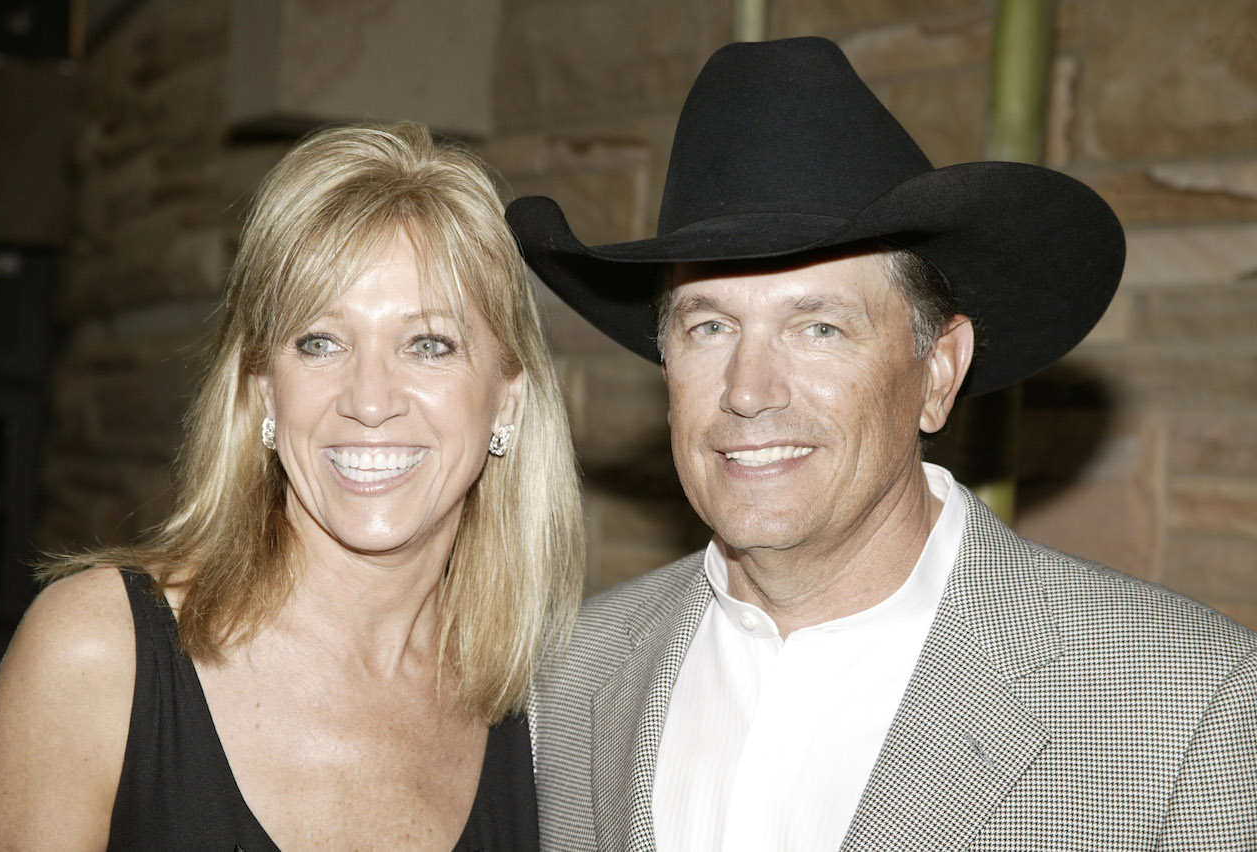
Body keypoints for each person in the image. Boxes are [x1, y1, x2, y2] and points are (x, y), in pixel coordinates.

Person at [508, 37, 1257, 851]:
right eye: (710, 326)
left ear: (939, 371)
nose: (749, 389)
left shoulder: (1186, 709)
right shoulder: (568, 677)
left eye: (819, 327)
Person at [0, 121, 584, 850]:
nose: (369, 398)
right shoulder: (96, 656)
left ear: (508, 399)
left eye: (429, 344)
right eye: (319, 342)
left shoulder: (552, 718)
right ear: (264, 389)